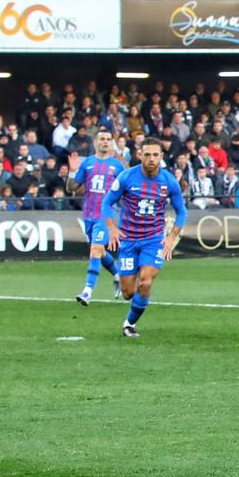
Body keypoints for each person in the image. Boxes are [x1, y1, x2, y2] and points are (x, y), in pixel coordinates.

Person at [103, 138, 186, 339]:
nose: (151, 159)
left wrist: (171, 237)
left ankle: (129, 324)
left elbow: (181, 211)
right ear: (140, 154)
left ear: (161, 157)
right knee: (128, 293)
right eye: (147, 154)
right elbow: (107, 203)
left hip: (153, 239)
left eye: (155, 155)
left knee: (146, 282)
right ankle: (126, 281)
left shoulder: (168, 181)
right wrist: (112, 228)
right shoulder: (126, 177)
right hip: (128, 240)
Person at [74, 134, 126, 305]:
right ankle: (118, 275)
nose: (105, 142)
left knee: (95, 249)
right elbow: (72, 187)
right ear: (96, 142)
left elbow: (126, 191)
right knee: (100, 252)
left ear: (111, 144)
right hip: (88, 215)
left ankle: (87, 291)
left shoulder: (117, 166)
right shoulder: (87, 163)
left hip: (106, 216)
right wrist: (72, 172)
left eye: (108, 139)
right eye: (101, 139)